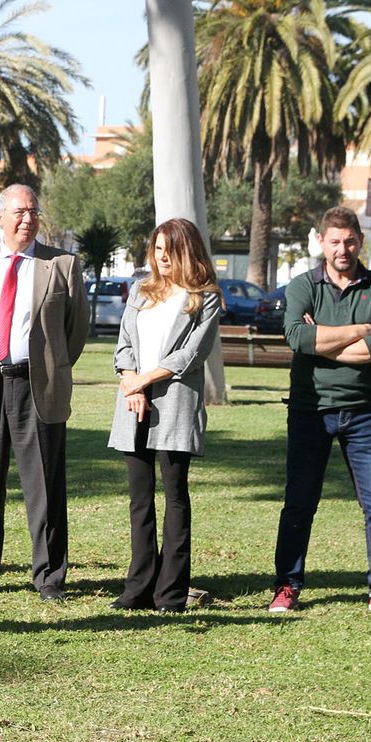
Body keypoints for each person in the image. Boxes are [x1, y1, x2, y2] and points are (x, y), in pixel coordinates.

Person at [0, 183, 89, 602]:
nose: (27, 219)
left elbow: (76, 329)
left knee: (44, 485)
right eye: (19, 212)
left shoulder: (61, 265)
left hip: (38, 385)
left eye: (33, 212)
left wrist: (50, 365)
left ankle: (49, 576)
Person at [271, 206, 371, 616]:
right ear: (321, 242)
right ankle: (287, 585)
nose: (342, 249)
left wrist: (323, 339)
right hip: (310, 410)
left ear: (360, 241)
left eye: (349, 241)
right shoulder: (302, 286)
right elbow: (297, 338)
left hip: (365, 413)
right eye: (334, 242)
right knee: (299, 502)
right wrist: (360, 330)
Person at [106, 218, 223, 613]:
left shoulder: (204, 297)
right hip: (132, 403)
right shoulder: (140, 290)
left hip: (174, 404)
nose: (162, 258)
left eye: (170, 250)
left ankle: (170, 592)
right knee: (139, 500)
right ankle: (138, 587)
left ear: (187, 252)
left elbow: (191, 355)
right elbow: (123, 345)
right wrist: (131, 383)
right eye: (157, 250)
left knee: (175, 496)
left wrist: (143, 381)